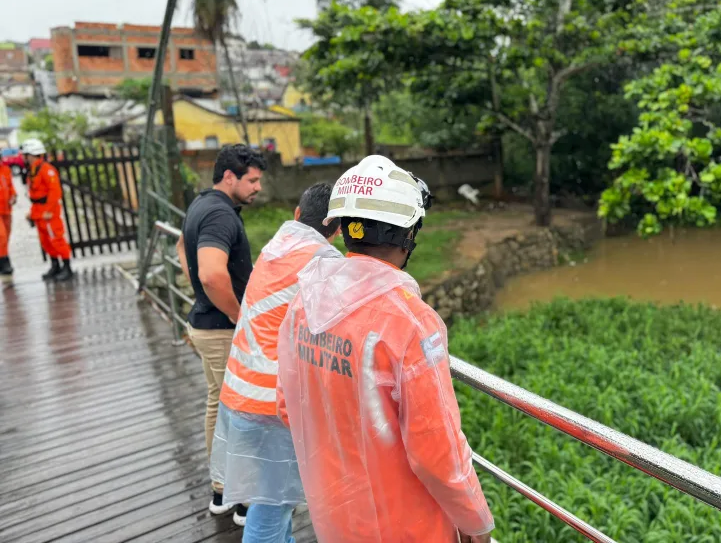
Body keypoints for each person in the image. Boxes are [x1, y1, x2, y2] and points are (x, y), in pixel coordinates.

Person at [276, 155, 495, 543]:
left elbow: (287, 405)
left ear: (344, 227)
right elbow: (436, 451)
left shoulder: (304, 303)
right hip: (405, 524)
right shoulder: (410, 323)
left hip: (335, 512)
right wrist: (476, 523)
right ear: (408, 234)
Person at [209, 183, 342, 539]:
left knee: (271, 501)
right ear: (339, 228)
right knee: (270, 509)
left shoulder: (277, 245)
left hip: (240, 393)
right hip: (272, 407)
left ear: (298, 214)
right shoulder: (324, 262)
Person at [175, 144, 265, 523]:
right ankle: (243, 501)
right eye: (253, 180)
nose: (258, 187)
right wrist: (238, 314)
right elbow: (212, 273)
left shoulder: (201, 204)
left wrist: (198, 290)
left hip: (204, 326)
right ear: (230, 176)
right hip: (223, 329)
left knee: (220, 406)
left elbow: (182, 247)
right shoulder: (219, 215)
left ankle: (222, 490)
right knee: (242, 412)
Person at [22, 138, 73, 281]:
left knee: (56, 239)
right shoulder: (33, 171)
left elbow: (55, 191)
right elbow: (34, 193)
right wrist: (31, 213)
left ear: (32, 154)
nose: (24, 157)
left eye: (25, 154)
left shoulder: (46, 169)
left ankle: (67, 267)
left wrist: (49, 210)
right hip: (38, 210)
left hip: (48, 211)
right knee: (45, 241)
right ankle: (55, 265)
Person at [0, 159, 16, 275]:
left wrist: (13, 196)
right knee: (1, 236)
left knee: (7, 235)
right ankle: (5, 261)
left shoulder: (5, 170)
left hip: (6, 209)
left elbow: (10, 186)